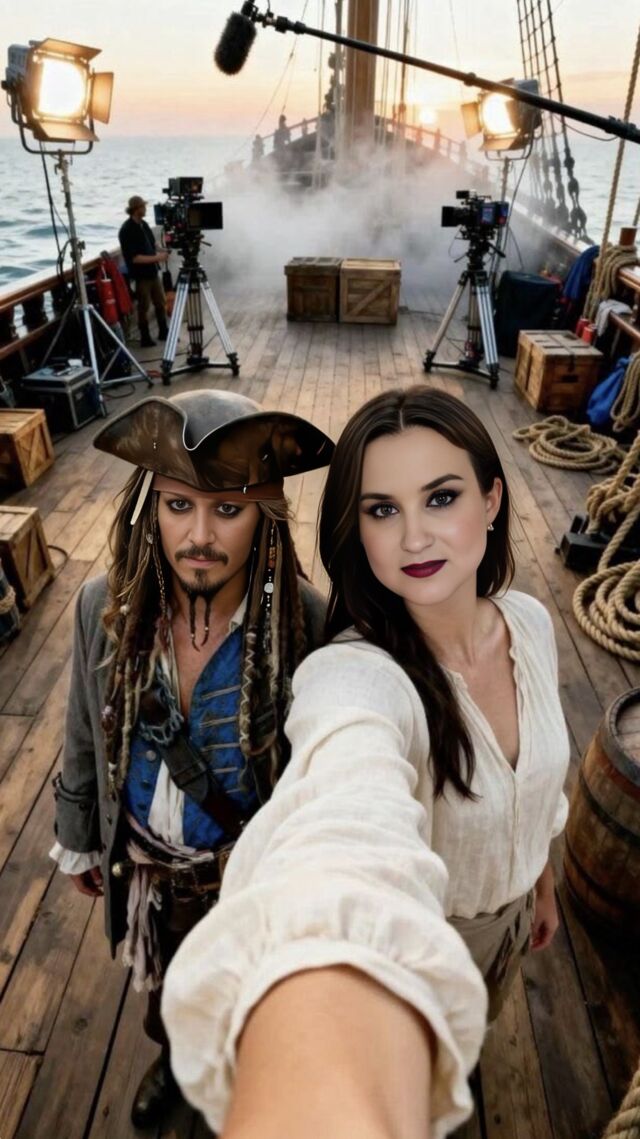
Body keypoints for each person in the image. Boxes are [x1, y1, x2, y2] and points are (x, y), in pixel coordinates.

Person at [161, 386, 571, 1139]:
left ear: (491, 499)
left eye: (440, 497)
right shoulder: (359, 677)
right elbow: (341, 818)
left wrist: (538, 882)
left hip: (512, 923)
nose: (414, 537)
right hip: (420, 943)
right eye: (382, 509)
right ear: (358, 530)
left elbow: (537, 792)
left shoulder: (532, 623)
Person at [50, 389, 333, 1129]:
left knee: (254, 997)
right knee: (169, 991)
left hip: (253, 880)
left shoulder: (305, 624)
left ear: (264, 517)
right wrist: (79, 830)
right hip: (151, 872)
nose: (199, 536)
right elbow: (83, 726)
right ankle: (177, 1060)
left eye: (227, 509)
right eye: (179, 506)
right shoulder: (102, 607)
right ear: (151, 507)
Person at [118, 195, 169, 348]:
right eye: (143, 207)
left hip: (152, 272)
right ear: (136, 209)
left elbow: (153, 244)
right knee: (143, 306)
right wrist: (158, 258)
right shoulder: (127, 230)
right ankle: (145, 337)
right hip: (141, 276)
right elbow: (135, 258)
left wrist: (163, 250)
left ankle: (163, 331)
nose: (145, 209)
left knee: (160, 302)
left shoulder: (144, 224)